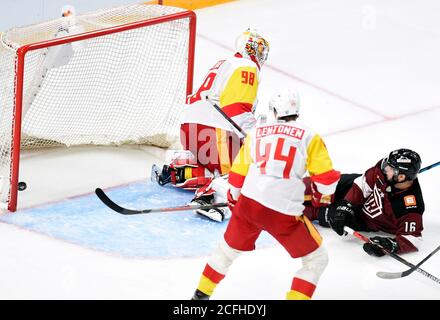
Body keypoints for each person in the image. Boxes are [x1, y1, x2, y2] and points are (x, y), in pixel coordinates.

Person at [191, 88, 341, 300]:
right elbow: (326, 178)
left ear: (273, 110)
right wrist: (322, 197)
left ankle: (200, 296)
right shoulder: (309, 136)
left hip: (248, 205)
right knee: (316, 260)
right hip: (283, 213)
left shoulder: (257, 132)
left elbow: (237, 176)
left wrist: (234, 198)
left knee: (225, 252)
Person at [153, 28, 270, 222]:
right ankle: (210, 198)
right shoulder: (246, 67)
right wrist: (256, 136)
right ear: (253, 49)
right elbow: (235, 108)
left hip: (191, 131)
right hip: (214, 133)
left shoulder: (226, 63)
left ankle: (179, 171)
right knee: (249, 172)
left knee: (221, 168)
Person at [303, 148, 424, 257]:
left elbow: (413, 238)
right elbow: (363, 183)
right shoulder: (384, 170)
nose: (385, 168)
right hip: (353, 188)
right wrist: (346, 205)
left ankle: (288, 211)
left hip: (363, 218)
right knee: (317, 184)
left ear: (401, 177)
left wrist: (390, 244)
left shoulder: (410, 206)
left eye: (390, 168)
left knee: (317, 212)